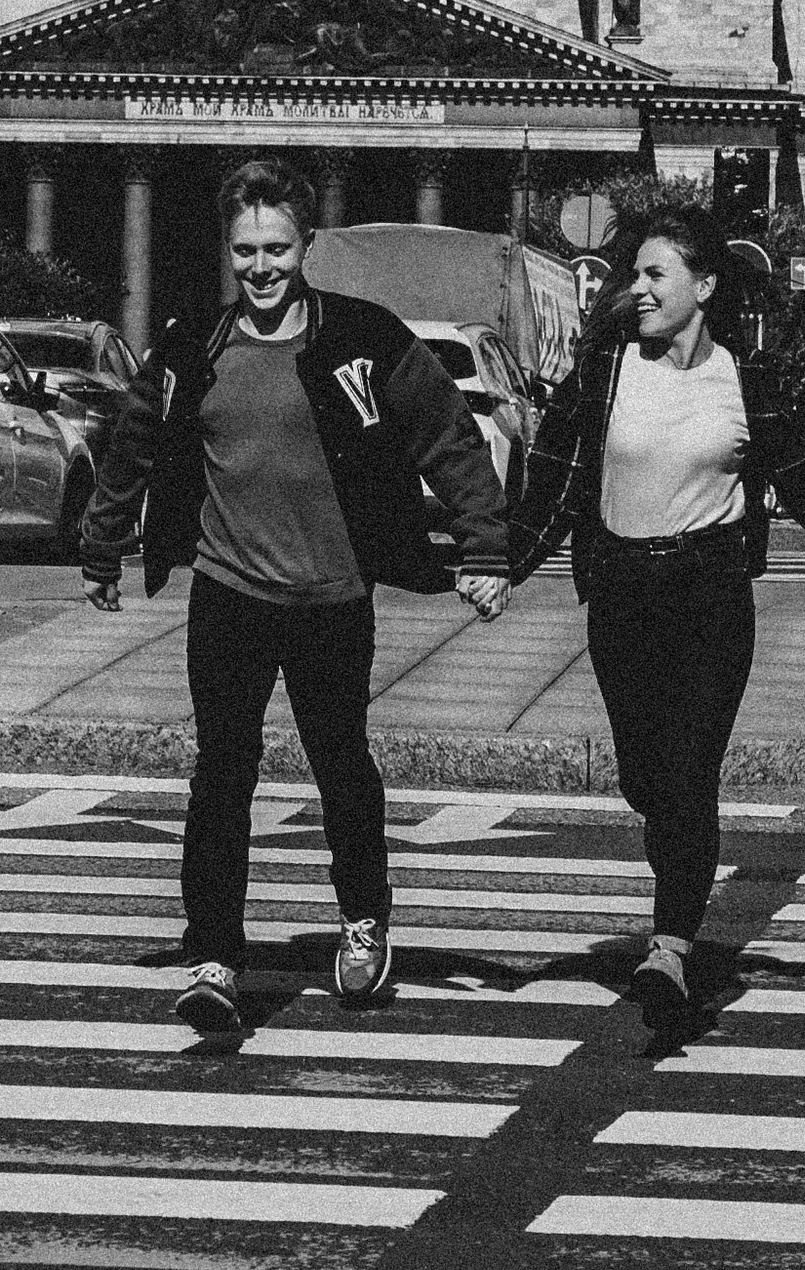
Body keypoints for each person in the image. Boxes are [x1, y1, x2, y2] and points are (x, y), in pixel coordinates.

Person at [78, 158, 509, 1049]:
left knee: (340, 765)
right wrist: (105, 540)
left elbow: (447, 435)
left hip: (332, 598)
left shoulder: (362, 337)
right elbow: (136, 438)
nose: (261, 267)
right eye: (245, 251)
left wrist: (485, 546)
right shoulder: (195, 343)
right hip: (229, 594)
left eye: (276, 249)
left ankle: (363, 922)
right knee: (221, 776)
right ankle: (214, 956)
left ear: (305, 245)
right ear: (228, 251)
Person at [510, 203, 805, 1040]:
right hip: (622, 596)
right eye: (635, 275)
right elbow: (552, 484)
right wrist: (501, 567)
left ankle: (670, 950)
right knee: (646, 777)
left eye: (655, 274)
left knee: (689, 772)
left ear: (703, 287)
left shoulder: (744, 380)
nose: (639, 289)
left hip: (709, 598)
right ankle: (674, 889)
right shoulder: (604, 371)